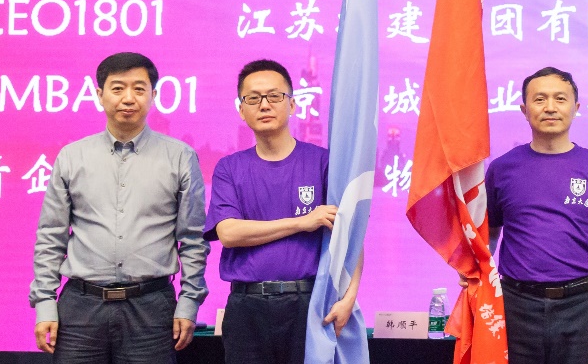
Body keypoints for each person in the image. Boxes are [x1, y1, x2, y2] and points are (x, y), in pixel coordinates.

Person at [30, 52, 208, 361]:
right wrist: (45, 302)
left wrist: (189, 302)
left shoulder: (180, 157)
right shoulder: (72, 157)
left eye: (139, 89)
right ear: (100, 95)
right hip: (81, 308)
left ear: (153, 95)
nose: (128, 98)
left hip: (151, 307)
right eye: (117, 88)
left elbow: (192, 239)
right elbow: (51, 236)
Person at [205, 59, 361, 364]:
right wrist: (303, 222)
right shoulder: (230, 167)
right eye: (253, 98)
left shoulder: (322, 163)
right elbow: (229, 233)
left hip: (309, 304)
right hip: (246, 307)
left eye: (274, 96)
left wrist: (349, 297)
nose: (264, 105)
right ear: (241, 110)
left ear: (291, 105)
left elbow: (352, 235)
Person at [485, 67, 588, 364]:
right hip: (515, 305)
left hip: (581, 306)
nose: (550, 107)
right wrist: (473, 271)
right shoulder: (501, 169)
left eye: (560, 99)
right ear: (524, 110)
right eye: (540, 99)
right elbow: (489, 234)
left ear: (575, 108)